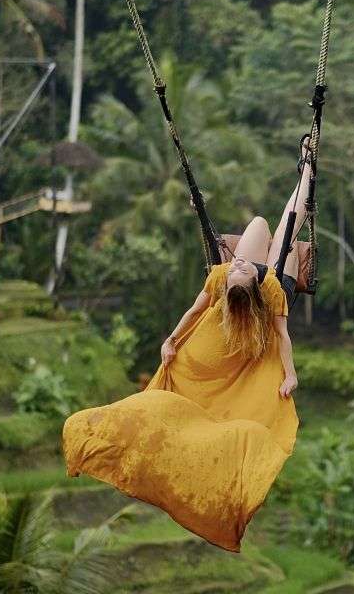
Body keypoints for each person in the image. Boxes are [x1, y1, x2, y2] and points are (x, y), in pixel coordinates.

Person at [62, 137, 315, 553]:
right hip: (273, 285)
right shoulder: (246, 283)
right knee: (274, 226)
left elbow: (249, 328)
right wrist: (173, 341)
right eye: (235, 267)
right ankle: (307, 170)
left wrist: (288, 375)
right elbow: (221, 319)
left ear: (245, 278)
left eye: (236, 268)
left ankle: (306, 171)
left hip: (269, 287)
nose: (234, 264)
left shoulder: (248, 283)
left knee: (274, 225)